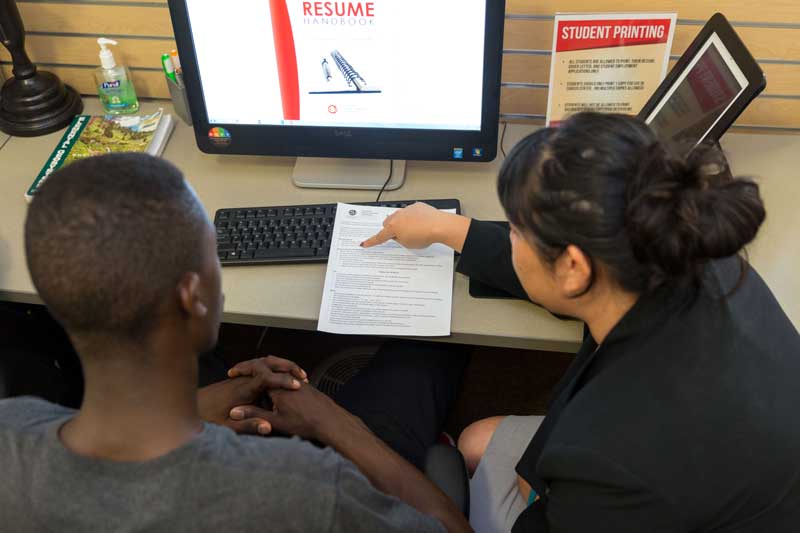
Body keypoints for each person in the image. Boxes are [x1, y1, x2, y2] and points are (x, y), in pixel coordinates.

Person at [362, 112, 800, 532]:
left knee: (460, 461)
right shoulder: (686, 248)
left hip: (640, 488)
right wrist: (449, 228)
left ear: (574, 267)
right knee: (478, 440)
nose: (511, 238)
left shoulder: (605, 455)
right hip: (730, 474)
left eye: (515, 230)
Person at [0, 153, 471, 533]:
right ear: (193, 296)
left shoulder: (11, 432)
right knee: (425, 351)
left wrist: (198, 410)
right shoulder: (307, 488)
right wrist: (336, 424)